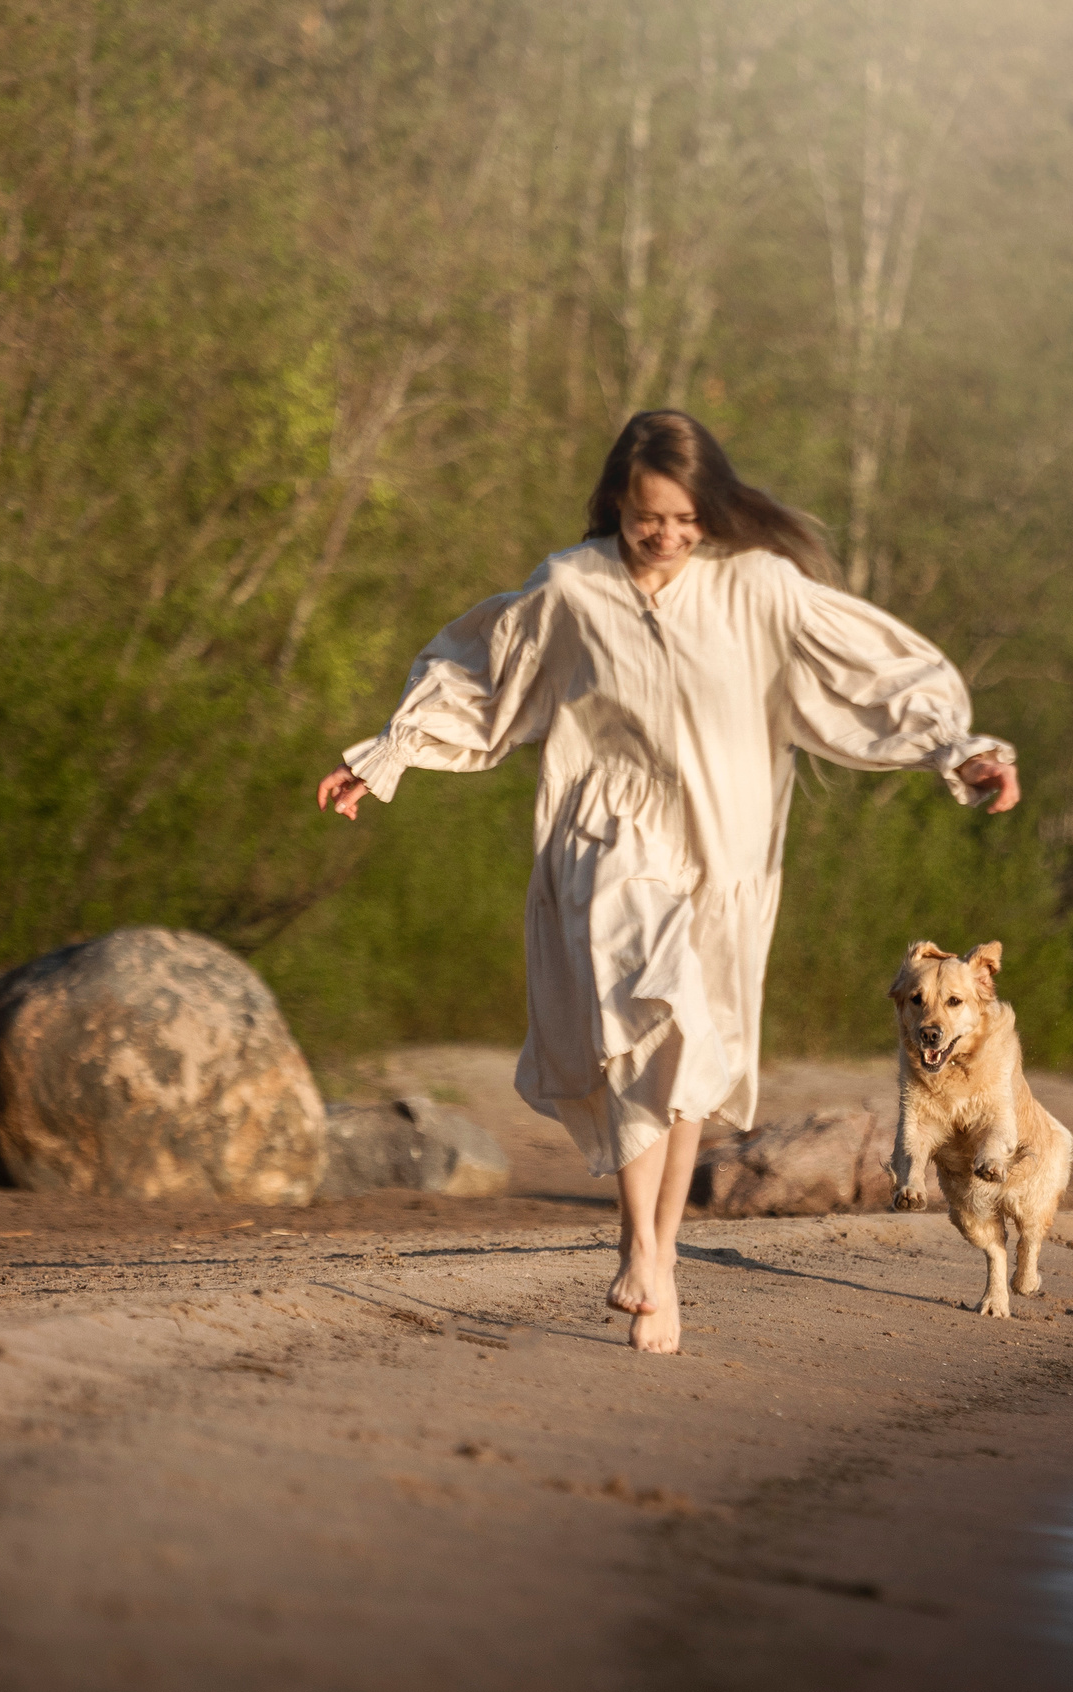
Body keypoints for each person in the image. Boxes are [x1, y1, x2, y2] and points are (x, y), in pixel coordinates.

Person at [316, 412, 1019, 1353]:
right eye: (650, 518)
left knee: (687, 1050)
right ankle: (644, 1252)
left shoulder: (759, 588)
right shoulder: (572, 586)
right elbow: (483, 676)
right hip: (605, 834)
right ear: (618, 501)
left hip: (723, 852)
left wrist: (959, 749)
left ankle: (654, 1254)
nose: (669, 537)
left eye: (688, 519)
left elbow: (876, 674)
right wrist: (389, 754)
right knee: (632, 1033)